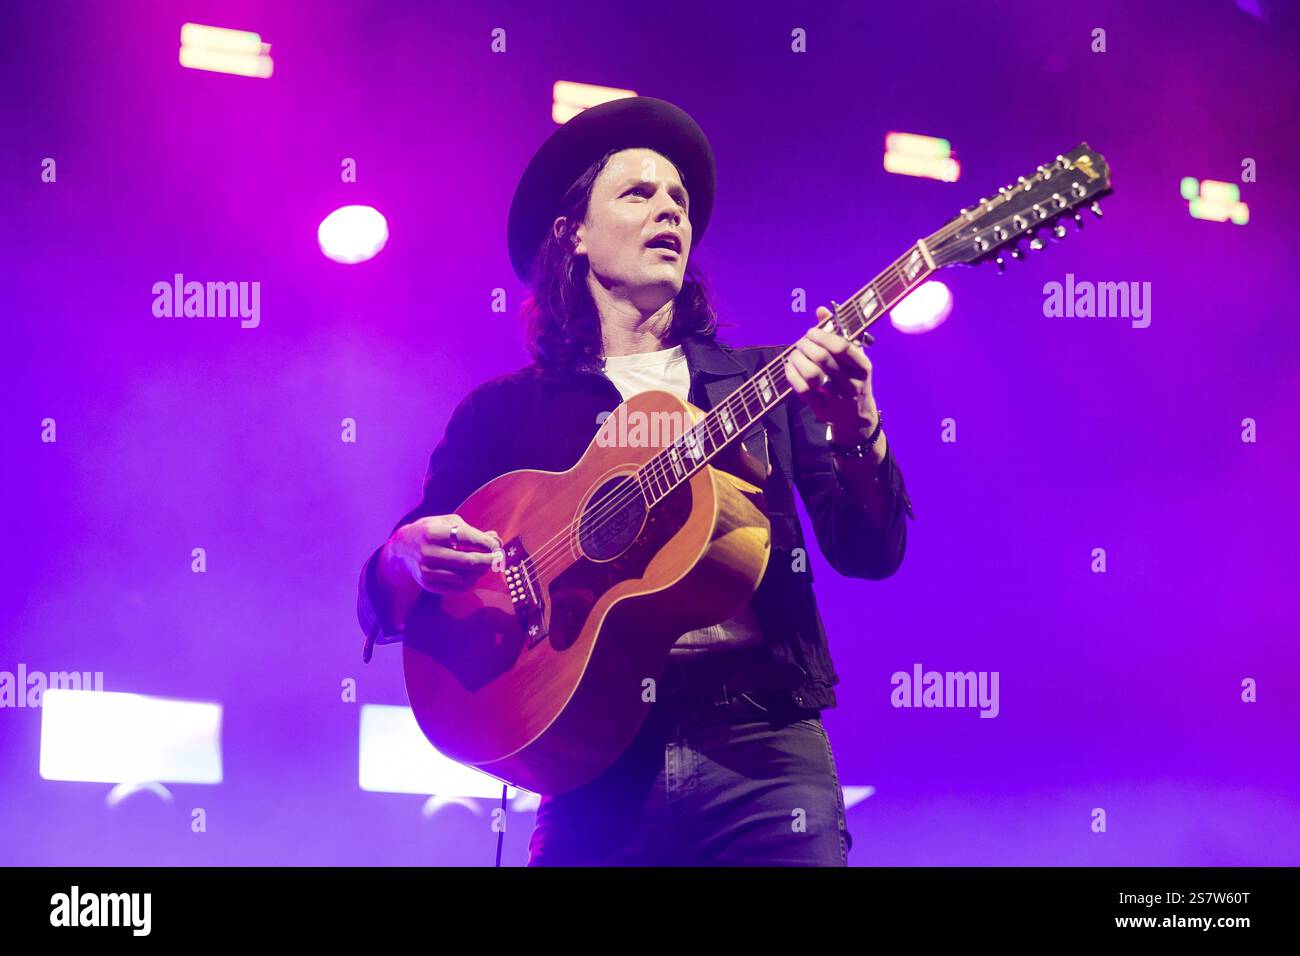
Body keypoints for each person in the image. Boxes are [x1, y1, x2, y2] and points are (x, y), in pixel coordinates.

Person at [357, 96, 914, 865]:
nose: (671, 213)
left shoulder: (765, 382)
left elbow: (869, 552)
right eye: (639, 193)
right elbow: (393, 600)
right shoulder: (506, 413)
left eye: (680, 202)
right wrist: (403, 556)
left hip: (764, 758)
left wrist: (858, 427)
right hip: (591, 769)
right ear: (575, 235)